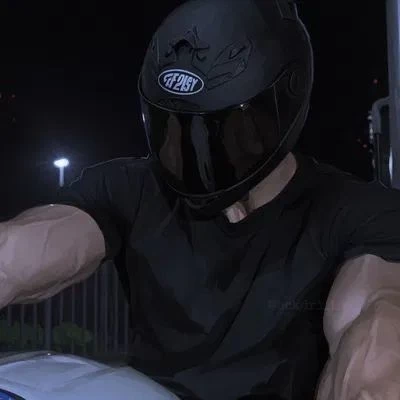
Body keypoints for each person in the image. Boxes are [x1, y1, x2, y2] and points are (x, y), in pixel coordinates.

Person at [2, 0, 400, 399]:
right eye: (173, 126)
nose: (193, 151)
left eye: (223, 129)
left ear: (278, 108)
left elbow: (378, 320)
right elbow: (19, 252)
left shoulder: (358, 214)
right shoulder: (128, 189)